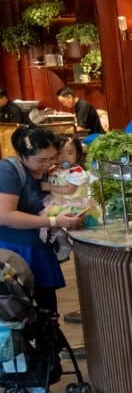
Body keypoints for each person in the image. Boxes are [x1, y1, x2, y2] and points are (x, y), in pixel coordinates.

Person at [0, 126, 78, 321]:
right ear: (22, 155)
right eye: (41, 160)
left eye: (52, 158)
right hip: (15, 253)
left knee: (47, 312)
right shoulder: (8, 171)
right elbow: (5, 215)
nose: (48, 164)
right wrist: (53, 220)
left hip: (38, 248)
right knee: (22, 315)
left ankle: (50, 340)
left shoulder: (45, 171)